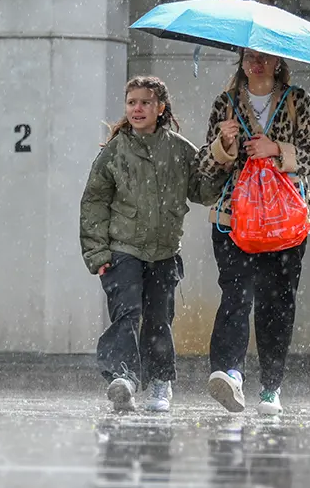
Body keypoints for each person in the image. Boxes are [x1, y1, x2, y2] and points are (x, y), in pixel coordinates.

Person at [195, 49, 310, 416]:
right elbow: (205, 166)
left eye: (266, 57)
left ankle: (271, 386)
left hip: (285, 220)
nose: (258, 63)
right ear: (240, 60)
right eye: (251, 56)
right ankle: (230, 373)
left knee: (277, 302)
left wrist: (277, 150)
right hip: (234, 217)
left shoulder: (298, 101)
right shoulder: (225, 103)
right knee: (235, 295)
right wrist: (223, 146)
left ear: (279, 62)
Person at [80, 75, 219, 413]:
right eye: (131, 103)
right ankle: (124, 376)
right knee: (127, 313)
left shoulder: (181, 149)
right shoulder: (115, 151)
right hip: (123, 249)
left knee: (158, 319)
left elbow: (202, 192)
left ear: (160, 108)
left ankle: (160, 382)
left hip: (164, 253)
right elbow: (94, 201)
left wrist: (222, 163)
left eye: (145, 102)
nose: (137, 108)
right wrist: (96, 252)